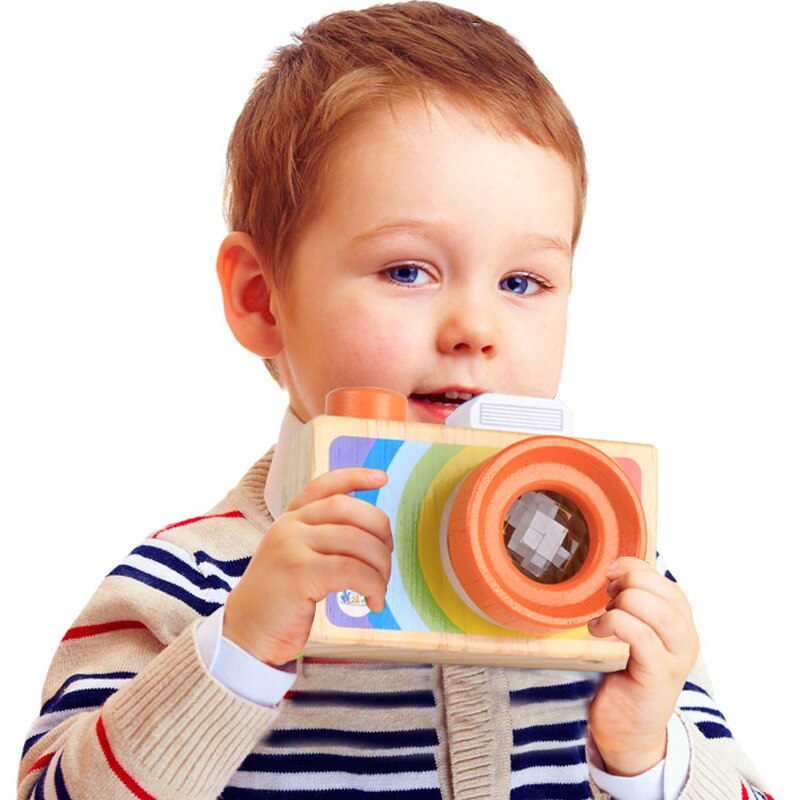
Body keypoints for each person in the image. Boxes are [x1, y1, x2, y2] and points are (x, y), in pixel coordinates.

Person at [17, 3, 773, 798]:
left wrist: (648, 757)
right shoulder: (187, 587)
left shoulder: (609, 583)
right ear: (261, 298)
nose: (476, 328)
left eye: (523, 282)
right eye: (407, 271)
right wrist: (236, 657)